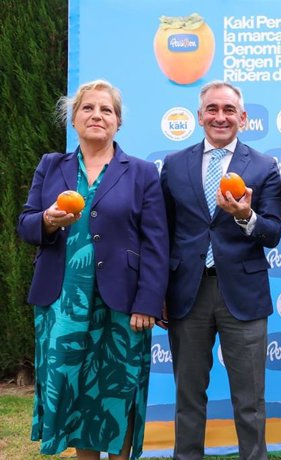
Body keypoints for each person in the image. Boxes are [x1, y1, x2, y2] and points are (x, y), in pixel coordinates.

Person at [17, 79, 169, 459]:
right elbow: (25, 224)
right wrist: (48, 222)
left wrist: (148, 301)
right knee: (77, 392)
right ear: (73, 119)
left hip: (122, 304)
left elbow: (156, 243)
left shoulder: (142, 172)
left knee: (118, 390)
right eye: (88, 108)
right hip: (63, 302)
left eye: (106, 110)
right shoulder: (51, 166)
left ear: (118, 122)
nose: (97, 115)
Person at [160, 80, 281, 460]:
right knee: (188, 396)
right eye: (212, 109)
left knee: (250, 400)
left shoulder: (264, 167)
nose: (220, 116)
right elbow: (162, 233)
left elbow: (273, 233)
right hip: (187, 295)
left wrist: (246, 216)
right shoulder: (174, 165)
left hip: (242, 296)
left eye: (229, 110)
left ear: (243, 118)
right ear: (199, 116)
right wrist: (159, 293)